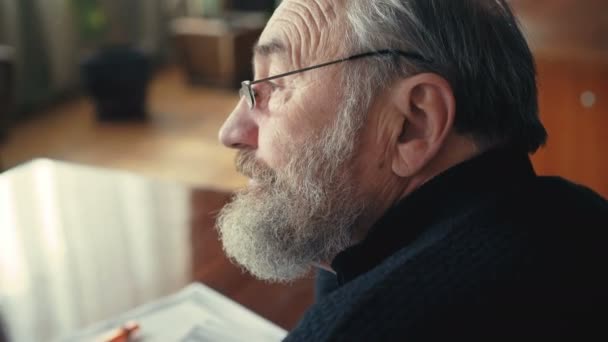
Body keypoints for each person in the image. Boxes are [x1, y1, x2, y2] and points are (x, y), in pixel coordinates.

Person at [216, 0, 608, 340]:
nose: (230, 132)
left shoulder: (360, 329)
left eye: (274, 86)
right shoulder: (583, 215)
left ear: (413, 124)